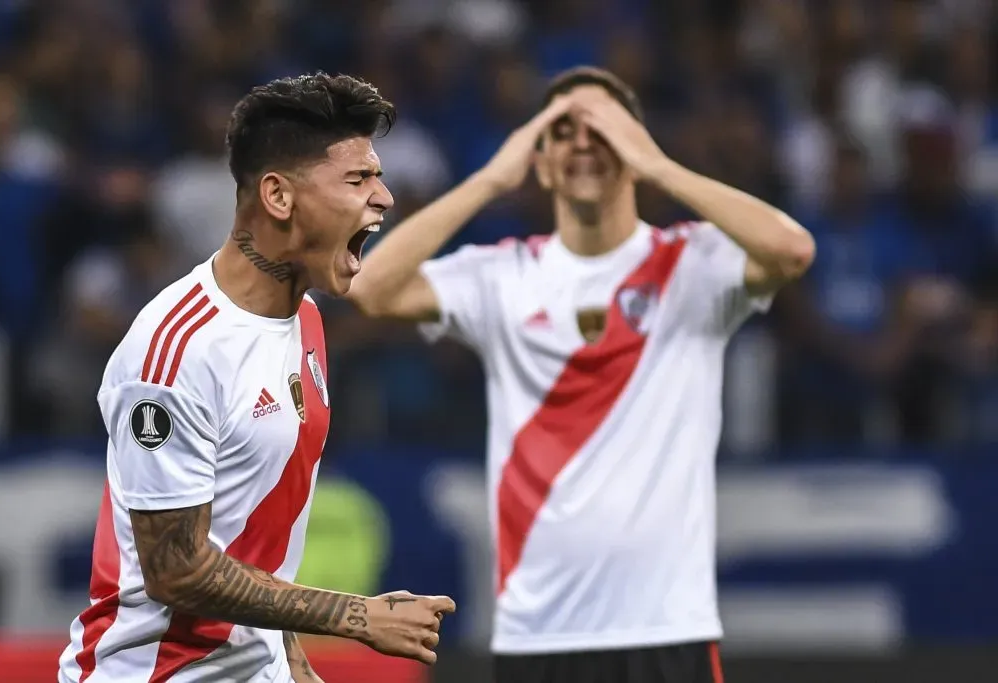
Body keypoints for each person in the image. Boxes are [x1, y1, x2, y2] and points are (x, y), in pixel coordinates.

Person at [346, 67, 816, 683]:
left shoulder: (693, 262)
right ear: (540, 161)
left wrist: (662, 168)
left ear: (635, 145)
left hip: (667, 628)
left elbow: (793, 250)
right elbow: (371, 288)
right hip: (538, 631)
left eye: (604, 128)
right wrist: (490, 179)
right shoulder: (502, 273)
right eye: (562, 130)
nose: (585, 142)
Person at [58, 73, 456, 683]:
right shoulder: (176, 351)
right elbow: (177, 569)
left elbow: (262, 537)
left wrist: (292, 665)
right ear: (277, 196)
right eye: (358, 179)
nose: (384, 198)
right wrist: (356, 617)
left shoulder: (309, 323)